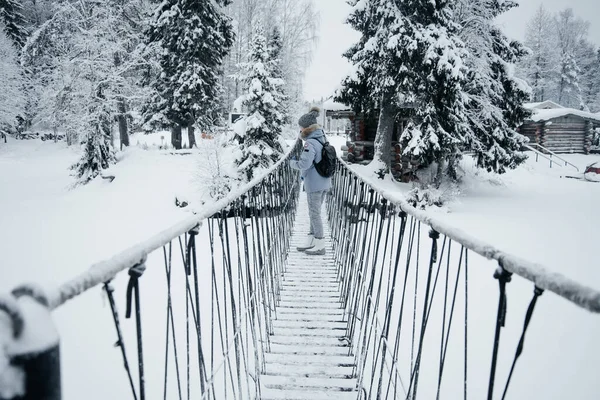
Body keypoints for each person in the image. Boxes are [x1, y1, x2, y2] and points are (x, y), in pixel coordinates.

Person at [290, 107, 332, 255]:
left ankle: (320, 245)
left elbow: (304, 164)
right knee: (315, 212)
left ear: (306, 127)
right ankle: (312, 241)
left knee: (314, 214)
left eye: (300, 127)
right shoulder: (321, 137)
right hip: (324, 181)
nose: (299, 129)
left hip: (314, 183)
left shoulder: (310, 143)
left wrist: (292, 163)